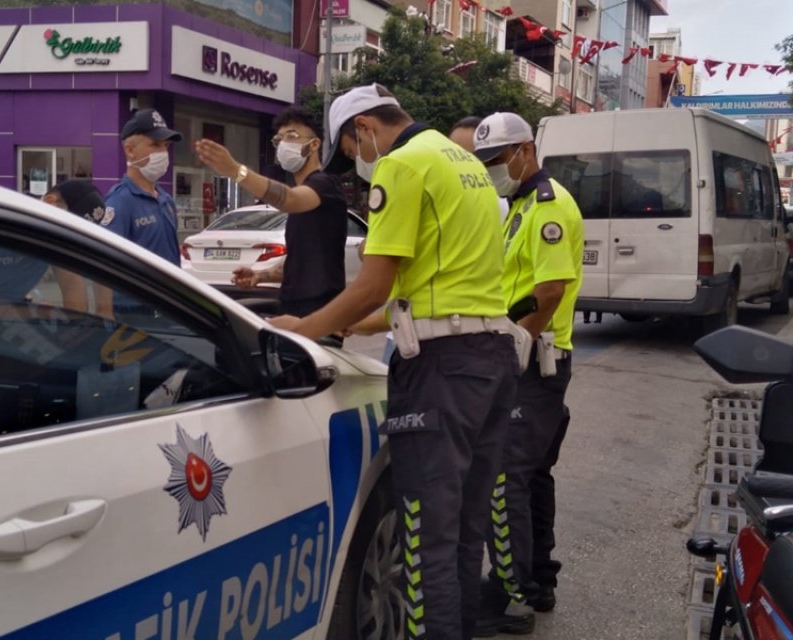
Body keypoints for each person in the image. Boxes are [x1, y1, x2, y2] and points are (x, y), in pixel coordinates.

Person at [269, 83, 518, 640]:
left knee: (425, 537)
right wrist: (348, 324)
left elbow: (376, 281)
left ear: (365, 129)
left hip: (442, 372)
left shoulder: (403, 166)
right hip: (491, 360)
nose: (358, 162)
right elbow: (436, 286)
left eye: (354, 150)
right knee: (463, 534)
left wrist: (302, 330)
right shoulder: (464, 164)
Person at [472, 112, 585, 636]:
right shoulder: (516, 206)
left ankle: (510, 595)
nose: (494, 169)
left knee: (505, 476)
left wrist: (516, 343)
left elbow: (550, 292)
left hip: (536, 359)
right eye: (486, 162)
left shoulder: (547, 207)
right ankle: (538, 579)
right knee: (533, 474)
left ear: (524, 151)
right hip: (531, 354)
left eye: (497, 160)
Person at [193, 106, 348, 316]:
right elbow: (299, 260)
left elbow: (288, 200)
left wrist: (236, 170)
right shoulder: (304, 194)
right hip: (293, 304)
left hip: (321, 309)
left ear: (314, 144)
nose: (284, 144)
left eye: (292, 136)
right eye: (279, 139)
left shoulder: (325, 184)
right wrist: (261, 275)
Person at [106, 108, 183, 267]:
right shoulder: (120, 202)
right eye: (155, 145)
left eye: (166, 145)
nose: (163, 152)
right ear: (130, 150)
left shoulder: (166, 200)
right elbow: (108, 262)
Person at [43, 179, 116, 319]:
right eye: (74, 227)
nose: (75, 238)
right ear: (50, 202)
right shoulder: (10, 228)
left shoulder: (58, 240)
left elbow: (72, 286)